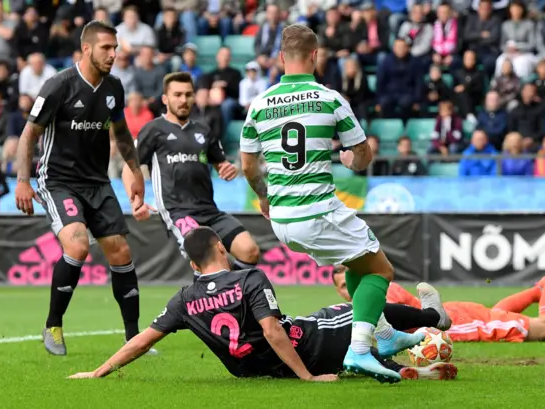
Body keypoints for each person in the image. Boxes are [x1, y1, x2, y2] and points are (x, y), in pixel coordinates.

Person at [239, 24, 443, 384]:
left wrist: (264, 197)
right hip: (317, 210)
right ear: (315, 57)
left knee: (356, 261)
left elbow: (247, 165)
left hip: (282, 217)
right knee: (381, 271)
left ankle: (383, 333)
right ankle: (360, 351)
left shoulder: (259, 104)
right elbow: (363, 154)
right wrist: (352, 162)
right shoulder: (330, 98)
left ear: (281, 58)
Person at [68, 227, 458, 381]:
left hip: (255, 370)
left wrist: (99, 371)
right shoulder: (248, 277)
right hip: (306, 346)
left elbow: (143, 340)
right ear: (222, 248)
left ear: (191, 264)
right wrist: (307, 377)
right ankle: (432, 317)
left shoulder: (184, 299)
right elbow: (272, 329)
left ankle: (400, 362)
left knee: (352, 336)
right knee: (360, 309)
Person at [13, 21, 149, 357]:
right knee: (77, 245)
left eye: (115, 48)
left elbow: (120, 134)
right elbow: (29, 134)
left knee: (120, 251)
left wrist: (136, 171)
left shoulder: (114, 88)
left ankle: (133, 338)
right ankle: (53, 324)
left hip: (97, 182)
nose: (114, 54)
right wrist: (22, 180)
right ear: (86, 48)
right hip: (58, 181)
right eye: (106, 48)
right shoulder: (58, 86)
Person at [122, 72, 261, 280]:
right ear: (165, 99)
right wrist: (135, 200)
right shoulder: (153, 130)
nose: (183, 100)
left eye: (188, 94)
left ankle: (227, 293)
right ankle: (217, 302)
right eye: (177, 94)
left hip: (210, 210)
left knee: (250, 251)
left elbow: (221, 163)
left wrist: (227, 168)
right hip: (178, 212)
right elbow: (128, 166)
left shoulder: (204, 130)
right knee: (208, 259)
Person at [333, 240, 545, 342]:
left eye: (349, 282)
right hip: (456, 313)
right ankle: (542, 288)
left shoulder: (380, 289)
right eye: (343, 287)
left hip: (456, 323)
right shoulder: (368, 296)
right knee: (497, 313)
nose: (348, 291)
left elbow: (388, 320)